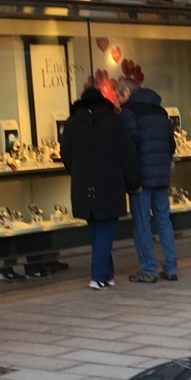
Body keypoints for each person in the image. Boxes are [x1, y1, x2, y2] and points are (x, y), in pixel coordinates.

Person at [60, 83, 141, 289]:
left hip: (83, 184)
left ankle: (107, 274)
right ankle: (97, 276)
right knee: (106, 229)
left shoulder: (71, 124)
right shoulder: (113, 122)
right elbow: (127, 154)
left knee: (96, 229)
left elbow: (66, 155)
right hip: (109, 183)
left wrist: (77, 173)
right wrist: (132, 182)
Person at [117, 79, 179, 283]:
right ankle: (171, 268)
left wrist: (131, 178)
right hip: (161, 176)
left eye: (119, 95)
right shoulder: (160, 112)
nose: (118, 100)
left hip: (142, 178)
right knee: (164, 222)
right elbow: (171, 145)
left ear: (127, 91)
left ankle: (149, 269)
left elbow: (130, 145)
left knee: (142, 225)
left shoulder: (129, 112)